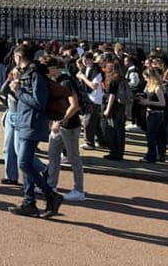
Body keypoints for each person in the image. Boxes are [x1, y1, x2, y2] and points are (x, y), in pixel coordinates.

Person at [7, 47, 64, 218]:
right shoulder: (27, 74)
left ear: (18, 56)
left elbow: (39, 102)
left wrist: (19, 91)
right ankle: (29, 201)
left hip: (32, 123)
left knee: (24, 163)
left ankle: (50, 195)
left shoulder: (36, 75)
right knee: (26, 163)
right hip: (25, 121)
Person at [45, 58, 86, 201]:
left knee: (73, 157)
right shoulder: (56, 82)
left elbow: (74, 105)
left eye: (47, 68)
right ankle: (51, 185)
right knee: (53, 154)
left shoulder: (66, 82)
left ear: (55, 68)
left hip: (69, 126)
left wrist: (61, 121)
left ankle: (79, 190)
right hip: (59, 125)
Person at [76, 52, 106, 150]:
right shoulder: (85, 69)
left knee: (88, 121)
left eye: (86, 59)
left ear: (91, 59)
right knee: (95, 122)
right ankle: (101, 141)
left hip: (95, 98)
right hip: (88, 97)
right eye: (83, 59)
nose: (84, 61)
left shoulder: (96, 70)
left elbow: (94, 86)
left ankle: (89, 142)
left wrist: (83, 78)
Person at [101, 57, 127, 161]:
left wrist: (107, 109)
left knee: (111, 130)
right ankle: (119, 152)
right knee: (120, 130)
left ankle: (115, 152)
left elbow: (112, 95)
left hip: (114, 107)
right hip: (121, 107)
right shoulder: (121, 78)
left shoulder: (113, 80)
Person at [139, 68, 167, 163]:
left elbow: (163, 103)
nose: (145, 80)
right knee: (157, 135)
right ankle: (159, 154)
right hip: (151, 112)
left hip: (156, 114)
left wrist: (148, 102)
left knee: (151, 135)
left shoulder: (158, 87)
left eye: (146, 78)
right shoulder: (149, 86)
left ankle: (151, 156)